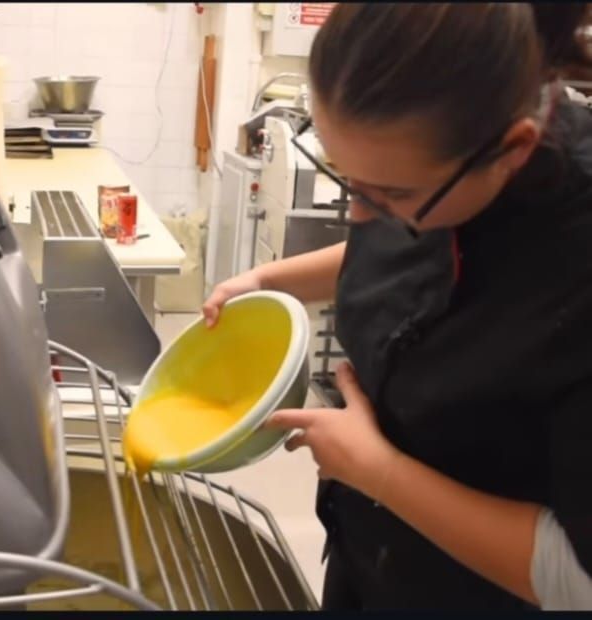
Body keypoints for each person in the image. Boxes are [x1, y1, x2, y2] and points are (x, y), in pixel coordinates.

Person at [202, 3, 592, 610]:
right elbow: (399, 242)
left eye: (393, 193)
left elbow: (581, 581)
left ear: (513, 151)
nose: (359, 214)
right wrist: (266, 279)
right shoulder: (452, 162)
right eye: (347, 179)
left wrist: (377, 470)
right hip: (372, 554)